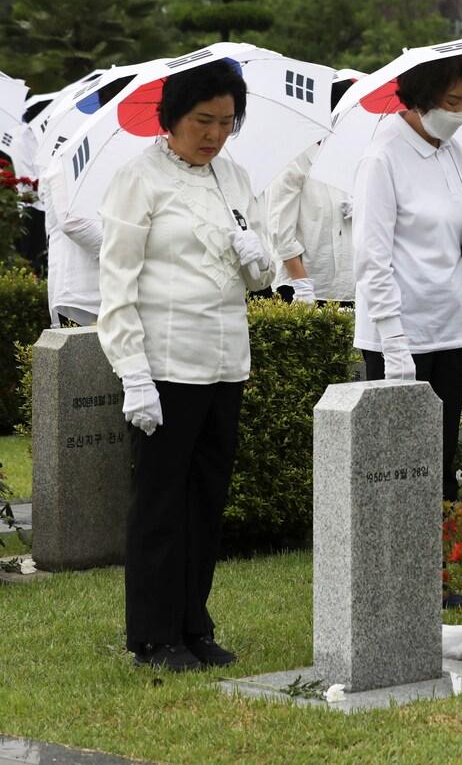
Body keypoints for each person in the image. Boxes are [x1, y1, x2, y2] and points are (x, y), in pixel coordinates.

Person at [97, 59, 275, 672]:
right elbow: (116, 286)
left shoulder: (235, 176)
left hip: (225, 362)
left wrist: (257, 257)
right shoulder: (139, 179)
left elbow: (260, 276)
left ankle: (194, 624)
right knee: (160, 502)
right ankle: (153, 636)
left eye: (227, 122)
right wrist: (134, 374)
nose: (215, 135)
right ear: (172, 117)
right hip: (166, 366)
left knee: (206, 499)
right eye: (203, 121)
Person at [353, 53, 462, 503]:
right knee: (400, 461)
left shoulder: (454, 152)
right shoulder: (383, 157)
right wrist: (393, 340)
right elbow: (371, 257)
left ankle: (441, 540)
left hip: (452, 325)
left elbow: (453, 226)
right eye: (451, 102)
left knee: (440, 453)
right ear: (422, 97)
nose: (458, 113)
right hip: (404, 332)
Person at [265, 78, 359, 305]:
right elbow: (279, 229)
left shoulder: (349, 155)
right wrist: (302, 284)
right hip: (302, 287)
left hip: (346, 287)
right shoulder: (295, 157)